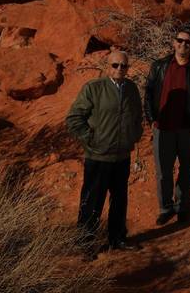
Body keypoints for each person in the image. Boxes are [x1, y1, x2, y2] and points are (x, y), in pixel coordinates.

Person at [66, 50, 143, 252]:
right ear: (107, 67)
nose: (119, 69)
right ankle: (85, 243)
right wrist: (91, 140)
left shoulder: (132, 89)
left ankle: (117, 238)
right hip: (98, 157)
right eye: (115, 65)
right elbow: (74, 118)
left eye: (123, 66)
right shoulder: (94, 88)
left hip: (122, 156)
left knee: (119, 199)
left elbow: (137, 117)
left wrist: (134, 135)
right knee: (92, 200)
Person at [144, 27, 190, 226]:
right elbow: (148, 94)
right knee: (163, 172)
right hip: (163, 128)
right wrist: (151, 120)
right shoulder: (159, 66)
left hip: (189, 129)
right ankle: (165, 208)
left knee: (187, 169)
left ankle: (182, 206)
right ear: (173, 43)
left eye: (188, 42)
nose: (183, 44)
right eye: (180, 41)